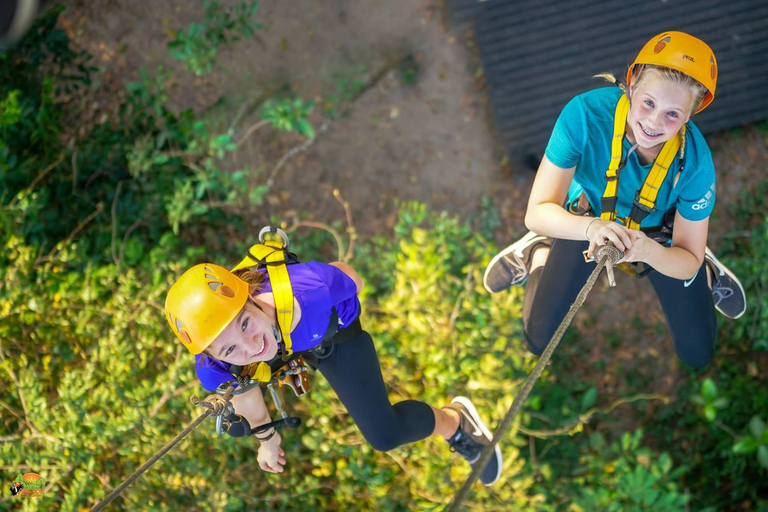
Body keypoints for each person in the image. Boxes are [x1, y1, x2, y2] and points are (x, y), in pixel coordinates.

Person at [483, 31, 746, 369]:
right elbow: (537, 211)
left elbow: (686, 260)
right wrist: (591, 227)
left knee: (697, 353)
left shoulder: (695, 165)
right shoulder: (584, 116)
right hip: (588, 217)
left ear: (690, 116)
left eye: (672, 115)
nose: (653, 123)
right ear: (632, 84)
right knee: (539, 339)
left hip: (659, 236)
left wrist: (650, 250)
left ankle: (707, 270)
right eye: (649, 102)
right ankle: (540, 251)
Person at [165, 258, 503, 485]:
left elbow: (350, 276)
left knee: (384, 436)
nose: (250, 346)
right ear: (213, 356)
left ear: (252, 299)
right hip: (290, 344)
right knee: (260, 355)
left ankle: (456, 424)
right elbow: (247, 390)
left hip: (332, 334)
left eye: (245, 323)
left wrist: (326, 311)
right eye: (229, 349)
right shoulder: (216, 369)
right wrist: (266, 440)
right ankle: (282, 340)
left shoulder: (309, 291)